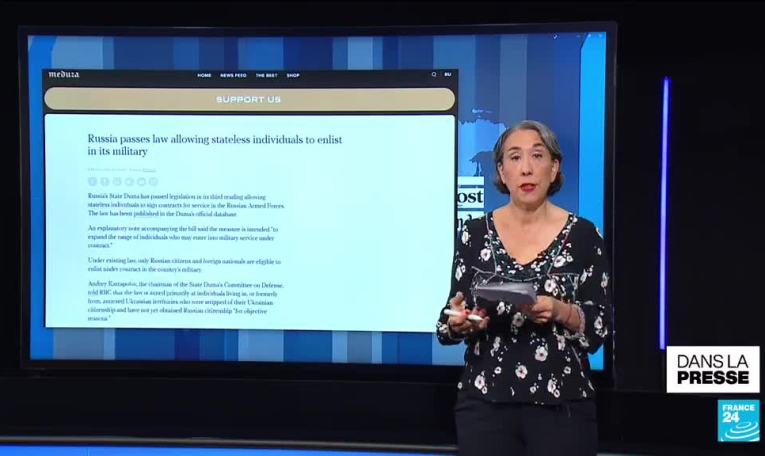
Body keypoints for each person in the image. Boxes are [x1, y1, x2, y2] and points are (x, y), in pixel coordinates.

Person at [436, 120, 612, 456]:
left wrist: (561, 311)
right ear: (502, 172)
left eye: (537, 156)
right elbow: (448, 322)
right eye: (515, 158)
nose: (526, 168)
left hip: (563, 407)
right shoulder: (473, 234)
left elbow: (600, 328)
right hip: (484, 406)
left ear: (554, 168)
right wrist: (459, 322)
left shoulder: (585, 236)